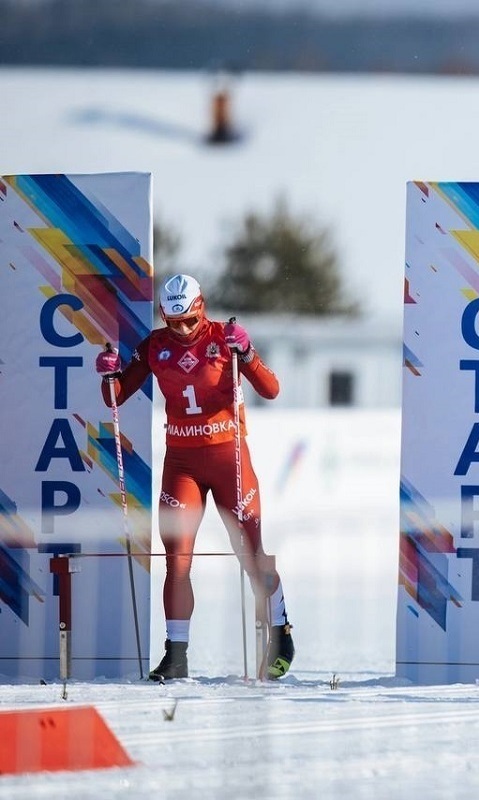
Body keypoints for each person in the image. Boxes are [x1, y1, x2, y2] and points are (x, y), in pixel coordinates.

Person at [95, 274, 294, 681]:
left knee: (251, 555)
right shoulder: (155, 345)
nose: (182, 330)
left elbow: (271, 390)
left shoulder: (224, 338)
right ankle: (176, 654)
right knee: (177, 560)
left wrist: (249, 352)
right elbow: (116, 398)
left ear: (201, 307)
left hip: (228, 459)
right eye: (174, 322)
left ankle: (281, 634)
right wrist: (108, 374)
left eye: (189, 320)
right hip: (182, 465)